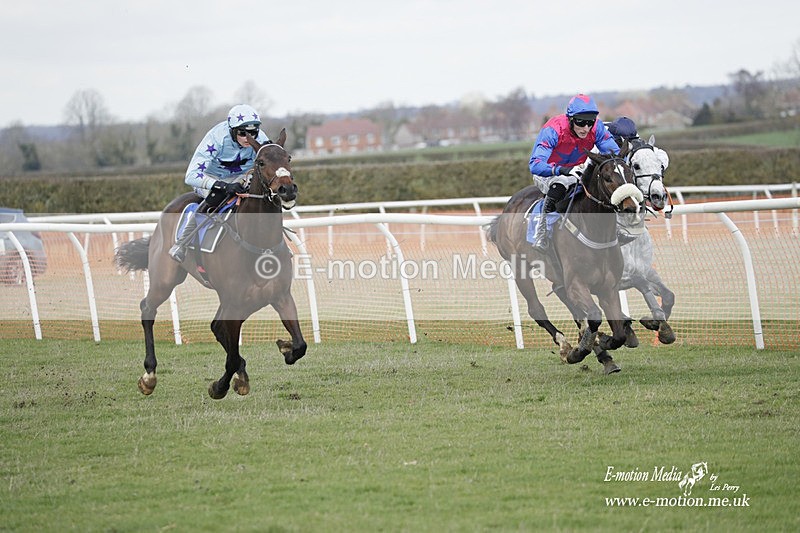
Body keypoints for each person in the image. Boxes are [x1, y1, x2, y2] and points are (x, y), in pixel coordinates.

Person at [169, 104, 272, 262]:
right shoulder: (216, 139)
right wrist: (224, 186)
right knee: (218, 195)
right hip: (210, 178)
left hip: (241, 176)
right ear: (232, 130)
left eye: (253, 132)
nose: (248, 138)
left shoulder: (261, 139)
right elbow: (190, 176)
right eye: (242, 133)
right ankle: (182, 243)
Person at [528, 94, 620, 252]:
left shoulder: (596, 128)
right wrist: (561, 170)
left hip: (577, 170)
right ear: (570, 119)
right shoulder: (553, 130)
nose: (586, 128)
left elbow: (616, 154)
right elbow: (535, 165)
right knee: (561, 184)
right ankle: (541, 231)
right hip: (548, 172)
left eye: (590, 122)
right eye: (581, 122)